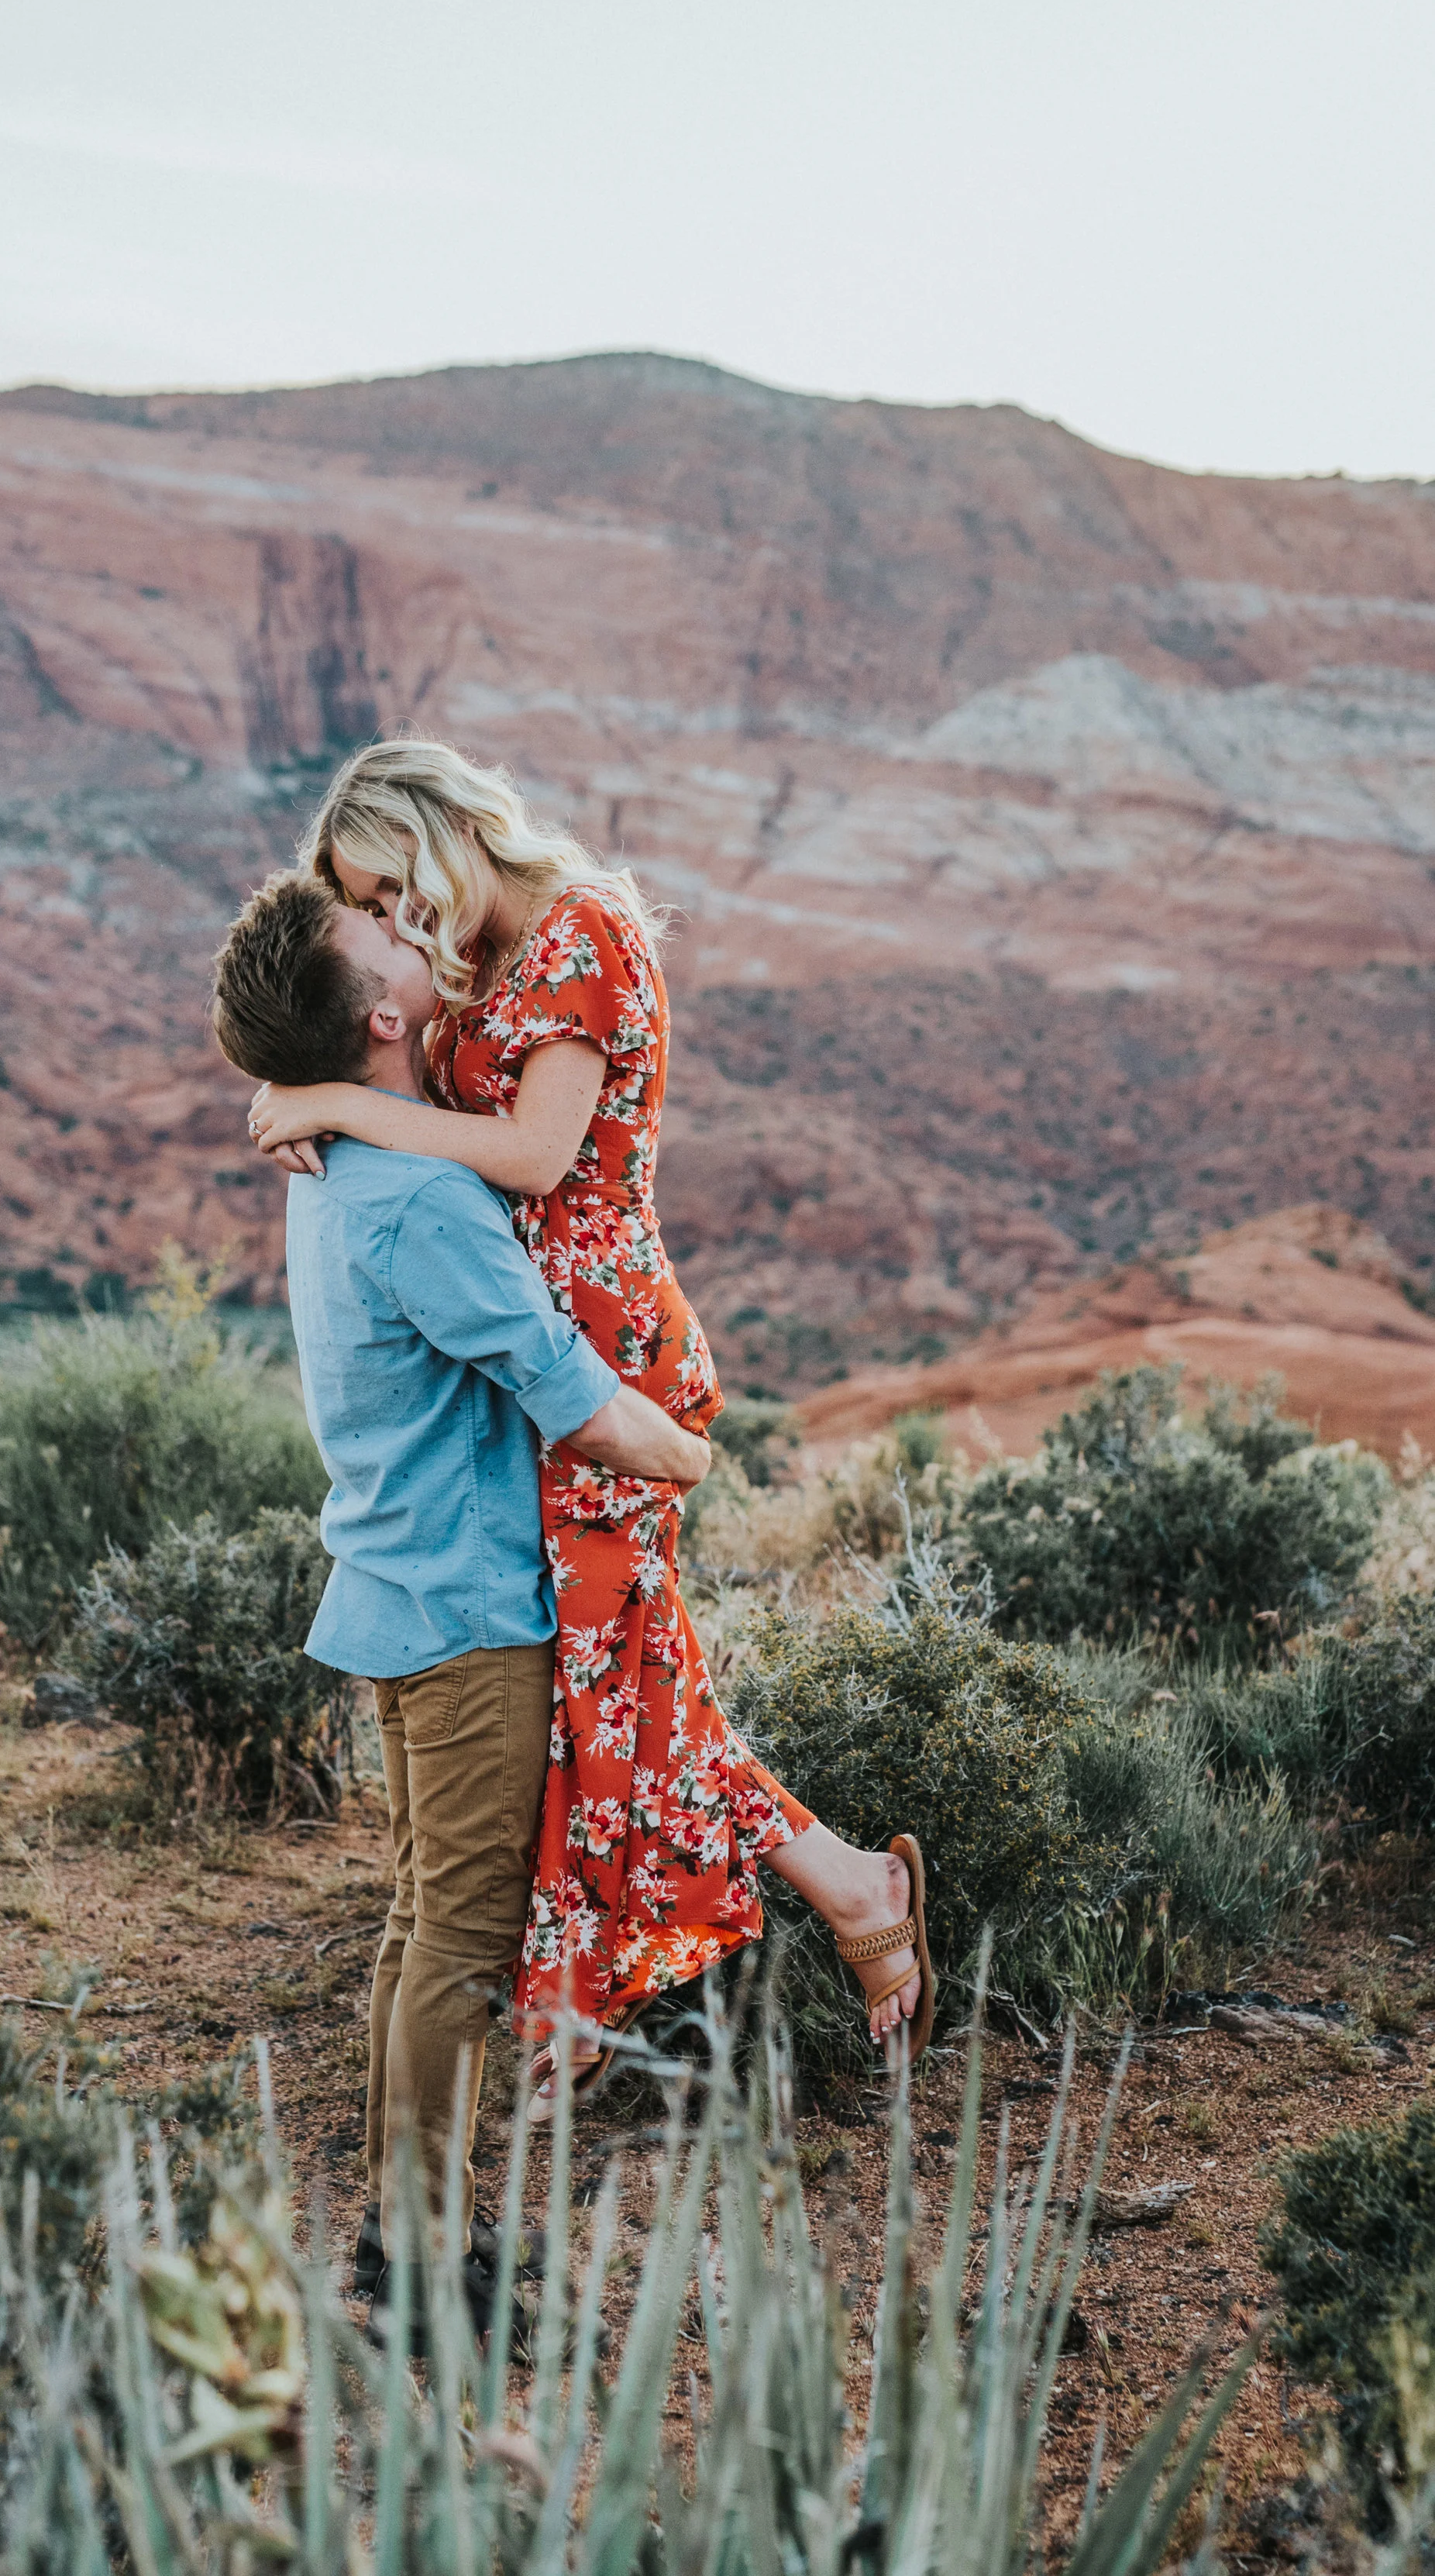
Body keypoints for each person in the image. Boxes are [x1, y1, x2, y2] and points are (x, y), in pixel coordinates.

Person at [245, 739, 934, 2109]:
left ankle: (811, 1913)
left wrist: (330, 1102)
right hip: (526, 1353)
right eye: (369, 913)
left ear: (440, 833)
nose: (386, 929)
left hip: (601, 1355)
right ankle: (827, 1900)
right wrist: (326, 1079)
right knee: (614, 1682)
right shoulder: (480, 957)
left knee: (616, 1684)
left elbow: (537, 1159)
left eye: (386, 894)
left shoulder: (581, 931)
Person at [211, 867, 715, 2340]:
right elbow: (571, 1396)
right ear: (378, 1012)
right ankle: (424, 2270)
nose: (404, 926)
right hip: (467, 1615)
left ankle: (402, 2235)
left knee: (422, 1922)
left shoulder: (348, 1168)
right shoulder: (421, 1199)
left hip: (396, 1590)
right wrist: (689, 1448)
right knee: (462, 1941)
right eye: (377, 929)